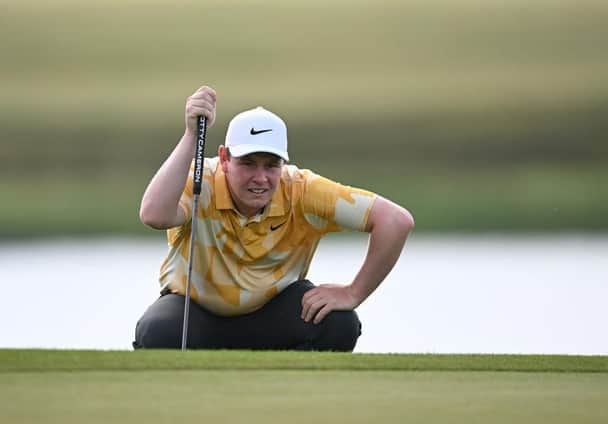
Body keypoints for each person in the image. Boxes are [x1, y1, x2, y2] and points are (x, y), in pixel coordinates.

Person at [133, 85, 414, 351]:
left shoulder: (302, 190)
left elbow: (395, 222)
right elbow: (154, 214)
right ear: (224, 158)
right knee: (156, 331)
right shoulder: (198, 178)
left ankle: (294, 396)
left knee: (339, 323)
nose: (261, 178)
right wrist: (191, 135)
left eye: (271, 165)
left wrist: (354, 292)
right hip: (195, 314)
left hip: (273, 314)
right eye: (248, 164)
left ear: (284, 162)